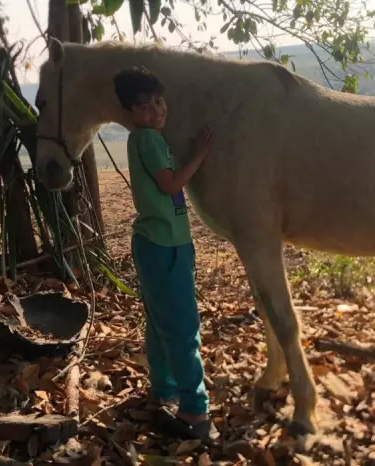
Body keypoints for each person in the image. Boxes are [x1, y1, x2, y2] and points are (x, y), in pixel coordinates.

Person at [113, 65, 214, 440]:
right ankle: (195, 411)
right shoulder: (147, 140)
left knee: (161, 323)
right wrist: (200, 155)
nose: (155, 111)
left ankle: (165, 389)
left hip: (164, 244)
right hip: (163, 246)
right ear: (130, 114)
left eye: (158, 101)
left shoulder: (148, 138)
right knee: (182, 328)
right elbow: (169, 182)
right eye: (143, 107)